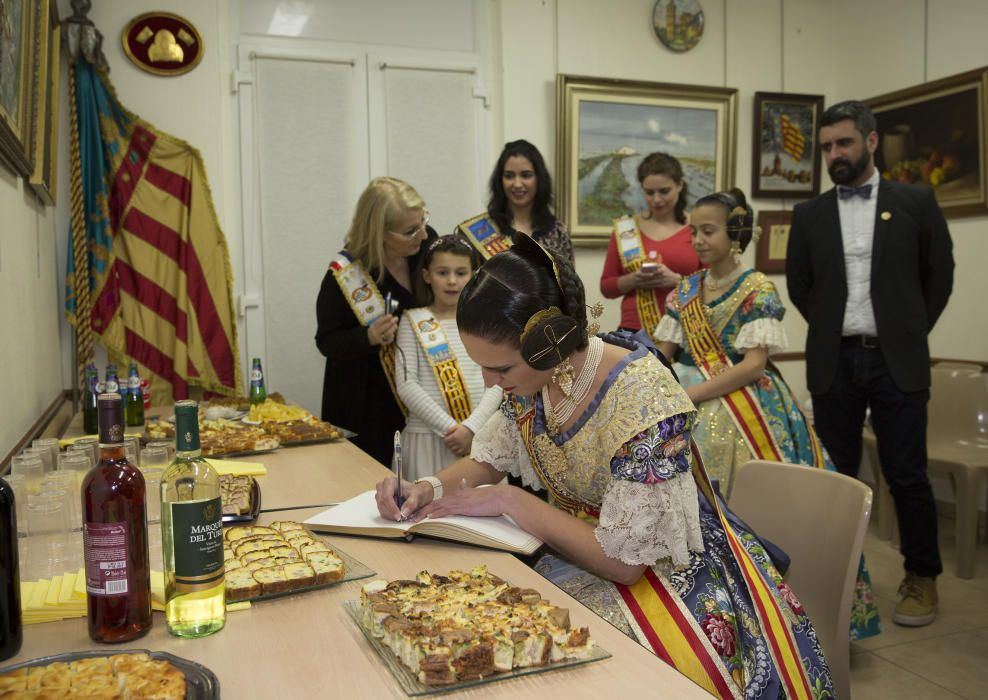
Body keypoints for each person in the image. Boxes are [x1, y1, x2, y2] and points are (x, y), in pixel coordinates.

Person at [374, 235, 833, 698]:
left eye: (501, 370)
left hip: (667, 570)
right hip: (579, 546)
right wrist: (427, 488)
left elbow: (625, 562)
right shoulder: (535, 381)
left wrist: (509, 499)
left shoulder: (644, 397)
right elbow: (489, 460)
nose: (491, 385)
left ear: (548, 344)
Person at [657, 187, 880, 640]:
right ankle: (711, 613)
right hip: (692, 401)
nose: (698, 240)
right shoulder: (686, 289)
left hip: (750, 408)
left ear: (735, 232)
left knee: (765, 503)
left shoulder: (757, 286)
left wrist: (693, 391)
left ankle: (781, 612)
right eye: (693, 231)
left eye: (709, 230)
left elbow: (754, 364)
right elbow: (664, 352)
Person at [786, 101, 954, 628]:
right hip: (834, 360)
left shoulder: (916, 202)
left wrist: (905, 330)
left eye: (844, 144)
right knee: (834, 476)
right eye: (827, 147)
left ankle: (922, 578)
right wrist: (840, 328)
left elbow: (939, 276)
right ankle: (834, 578)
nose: (834, 155)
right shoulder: (809, 214)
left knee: (907, 475)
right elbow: (801, 286)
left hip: (897, 361)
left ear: (871, 141)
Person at [315, 177, 436, 466]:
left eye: (423, 221)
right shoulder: (347, 275)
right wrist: (366, 338)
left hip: (423, 396)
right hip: (368, 402)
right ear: (379, 232)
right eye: (410, 231)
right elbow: (327, 341)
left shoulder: (427, 245)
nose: (421, 235)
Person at [396, 236, 503, 479]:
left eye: (461, 272)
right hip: (426, 439)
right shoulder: (412, 320)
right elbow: (406, 384)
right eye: (442, 272)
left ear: (474, 275)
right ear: (426, 275)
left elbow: (498, 381)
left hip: (479, 436)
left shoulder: (483, 321)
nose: (452, 281)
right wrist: (451, 429)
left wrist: (470, 428)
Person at [600, 152, 701, 335]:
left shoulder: (697, 228)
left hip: (685, 330)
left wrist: (677, 281)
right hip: (634, 331)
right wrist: (634, 279)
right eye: (649, 192)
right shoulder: (626, 229)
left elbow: (714, 285)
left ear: (680, 185)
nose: (656, 200)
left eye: (664, 191)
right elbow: (607, 287)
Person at [454, 139, 574, 266]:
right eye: (509, 176)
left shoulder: (558, 233)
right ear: (500, 180)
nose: (517, 184)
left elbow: (570, 284)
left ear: (540, 179)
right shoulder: (480, 230)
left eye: (526, 175)